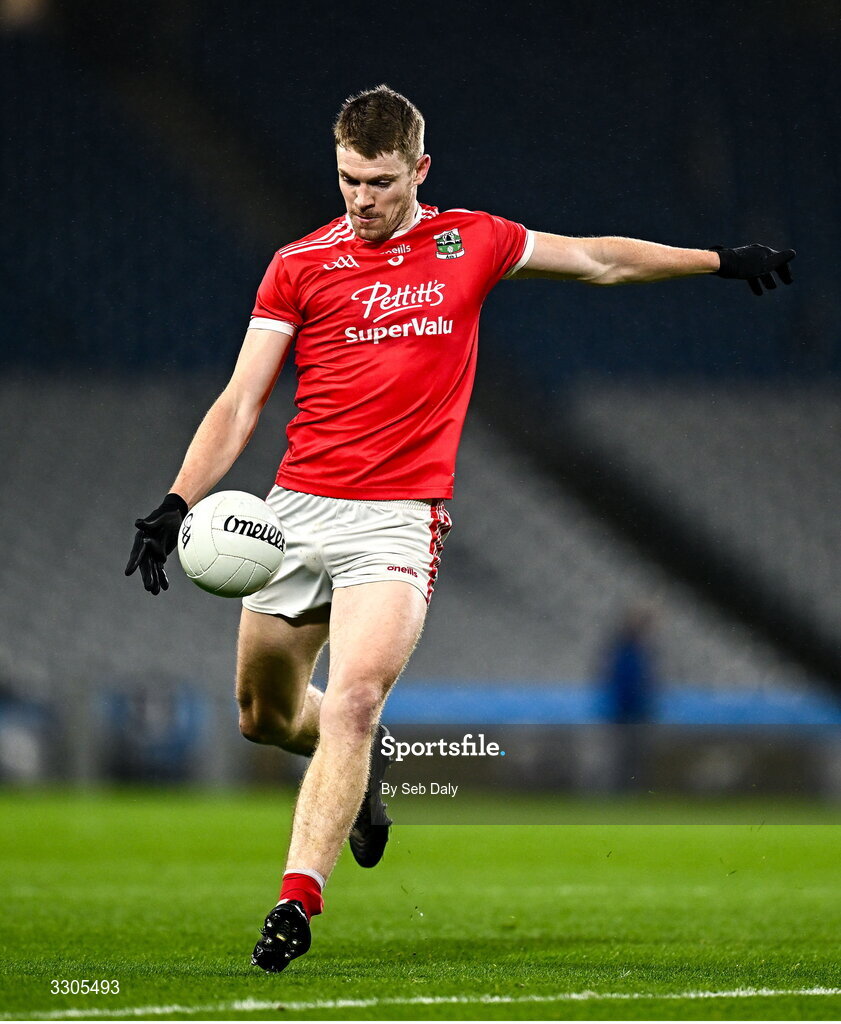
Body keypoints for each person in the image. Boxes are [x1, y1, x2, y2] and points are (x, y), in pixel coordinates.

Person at [125, 84, 795, 973]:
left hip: (398, 523)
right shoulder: (299, 264)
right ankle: (362, 775)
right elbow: (241, 398)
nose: (360, 198)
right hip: (295, 512)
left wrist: (715, 259)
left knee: (356, 700)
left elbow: (597, 259)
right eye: (347, 180)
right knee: (264, 716)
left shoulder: (469, 242)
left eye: (378, 181)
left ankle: (295, 901)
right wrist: (176, 502)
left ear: (418, 171)